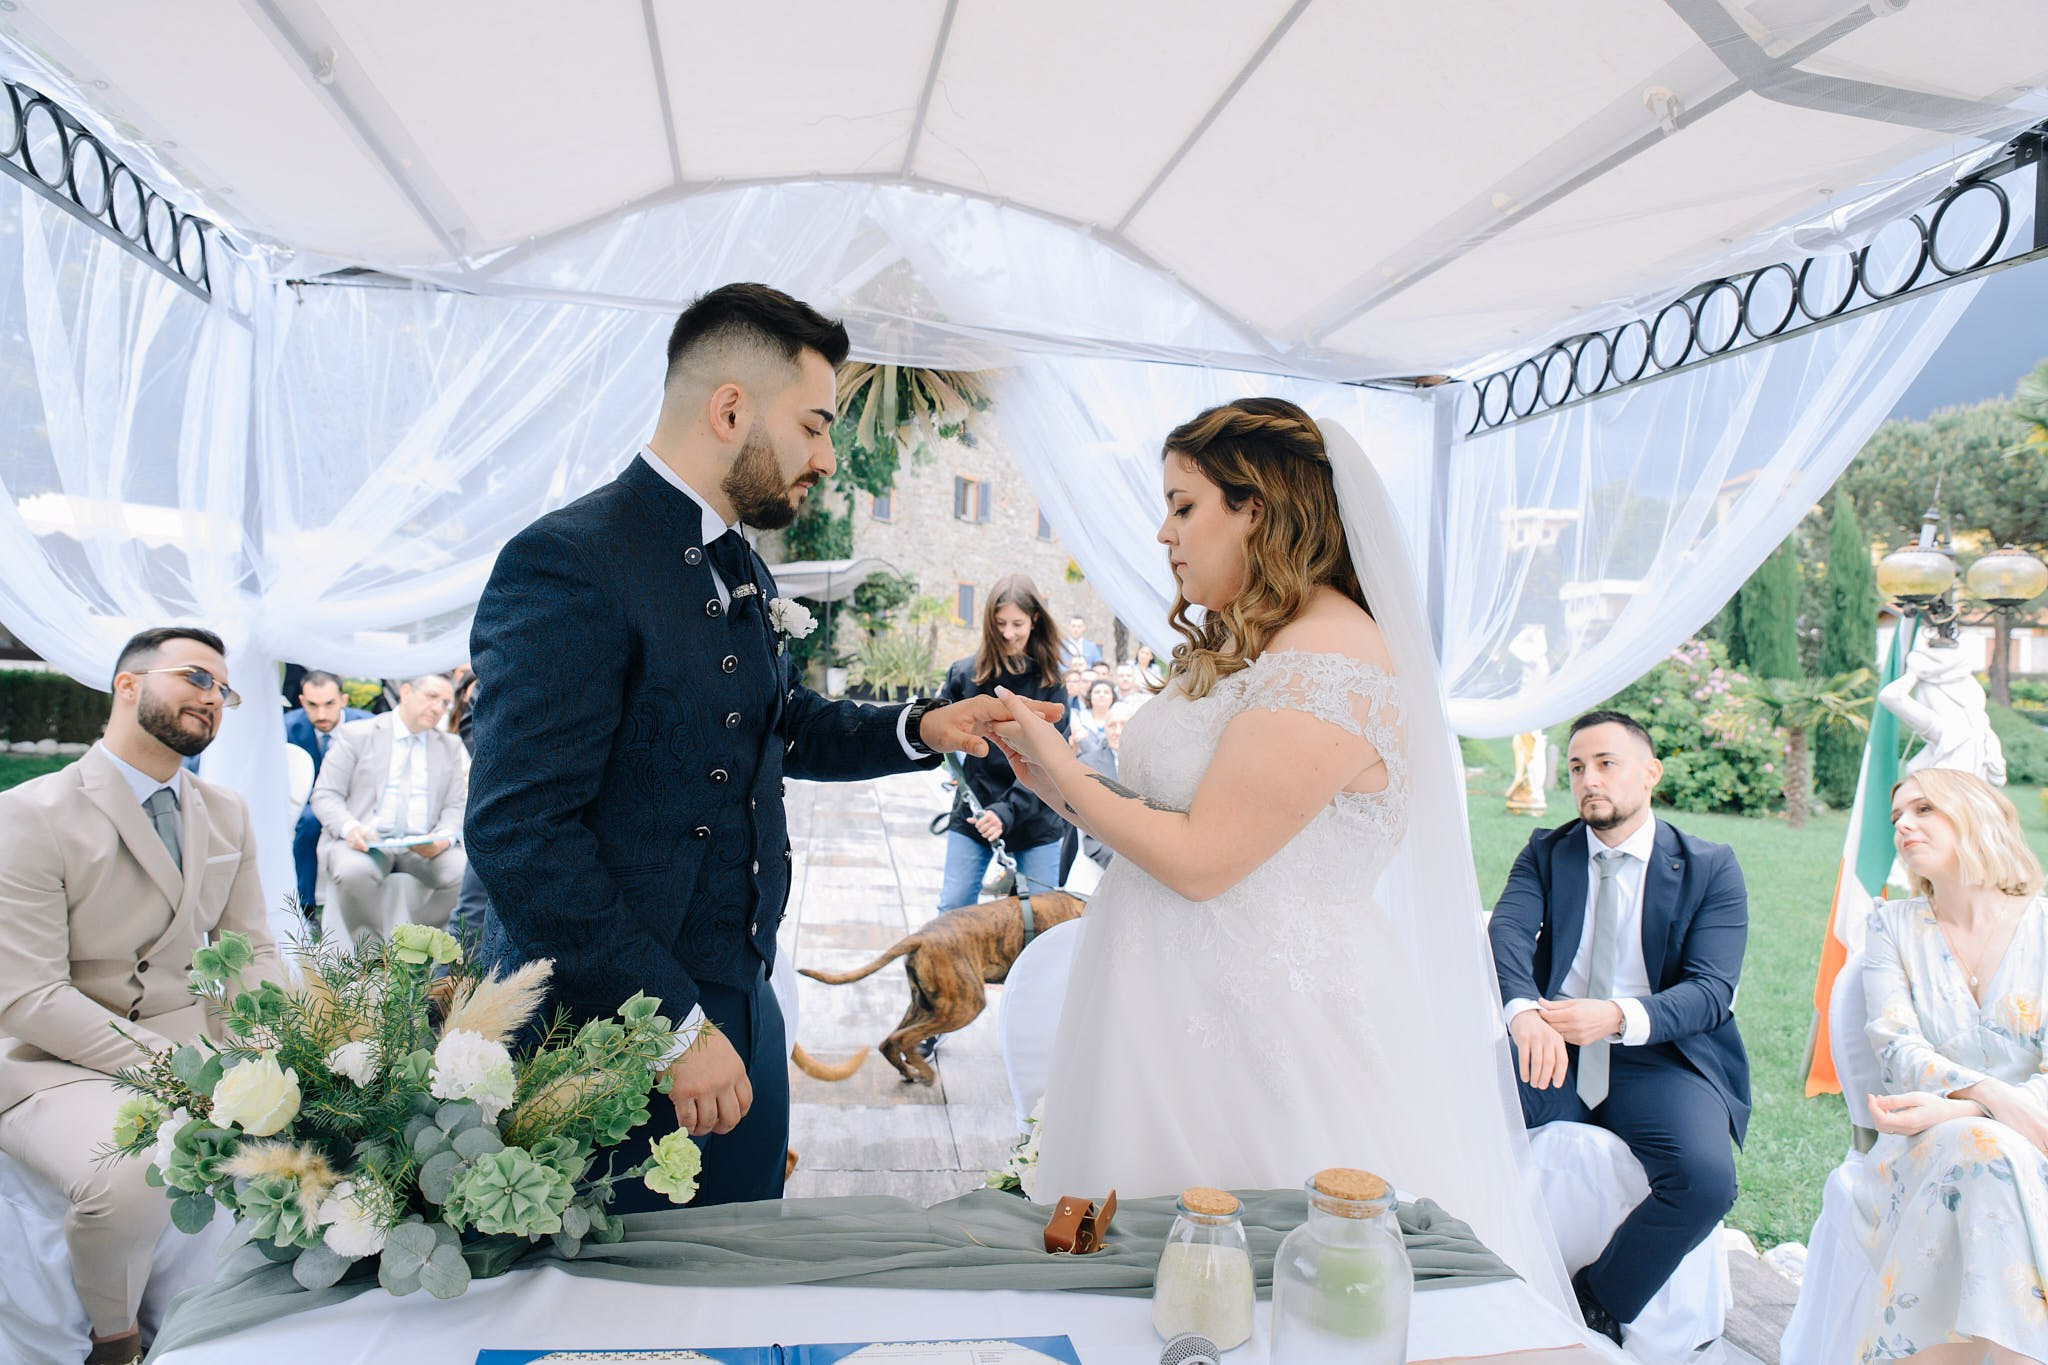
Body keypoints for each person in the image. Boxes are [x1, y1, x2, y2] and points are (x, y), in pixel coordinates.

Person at [465, 282, 1058, 1213]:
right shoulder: (567, 561)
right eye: (815, 425)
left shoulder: (735, 557)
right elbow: (520, 835)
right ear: (730, 408)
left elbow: (774, 722)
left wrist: (924, 726)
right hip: (609, 1027)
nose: (827, 458)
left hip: (739, 993)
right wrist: (671, 1025)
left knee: (745, 1268)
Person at [987, 398, 1568, 1307]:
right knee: (1164, 1290)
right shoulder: (1251, 643)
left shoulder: (1333, 653)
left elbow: (1202, 858)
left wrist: (1066, 765)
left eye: (1184, 506)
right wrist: (1044, 773)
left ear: (1254, 508)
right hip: (1165, 1007)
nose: (1163, 533)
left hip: (1266, 1028)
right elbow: (1153, 816)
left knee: (1262, 1285)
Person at [0, 627, 282, 1365]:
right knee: (134, 1174)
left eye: (223, 688)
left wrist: (275, 1046)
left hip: (192, 1043)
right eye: (195, 676)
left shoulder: (227, 813)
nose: (212, 697)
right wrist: (170, 1066)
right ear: (127, 684)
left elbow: (251, 946)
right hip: (50, 1064)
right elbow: (28, 995)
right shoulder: (31, 812)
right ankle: (114, 1338)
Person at [1487, 709, 1750, 1341]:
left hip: (1661, 1054)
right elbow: (1509, 934)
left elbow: (1712, 991)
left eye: (1606, 764)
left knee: (1704, 1181)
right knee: (1465, 1119)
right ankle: (1477, 1279)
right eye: (1577, 767)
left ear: (1649, 773)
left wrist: (1616, 1016)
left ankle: (1596, 1299)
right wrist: (1525, 1015)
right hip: (1552, 1043)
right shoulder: (1547, 852)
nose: (1588, 780)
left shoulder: (1711, 866)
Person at [1841, 768, 2048, 1363]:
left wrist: (1981, 1106)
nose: (1904, 823)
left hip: (2030, 1139)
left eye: (1925, 808)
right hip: (1921, 1140)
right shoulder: (1891, 926)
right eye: (1898, 815)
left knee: (1985, 1146)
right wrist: (1989, 1100)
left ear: (1978, 817)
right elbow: (1898, 1050)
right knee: (1982, 1147)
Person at [935, 574, 1071, 910]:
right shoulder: (964, 674)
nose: (1007, 633)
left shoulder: (1052, 683)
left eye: (1016, 623)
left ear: (1035, 620)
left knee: (1042, 919)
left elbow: (1053, 763)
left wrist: (1006, 811)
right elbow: (937, 728)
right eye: (1000, 624)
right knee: (952, 909)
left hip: (1036, 809)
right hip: (977, 808)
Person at [309, 673, 469, 942]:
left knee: (466, 871)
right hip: (365, 841)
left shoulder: (450, 746)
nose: (438, 708)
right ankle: (371, 955)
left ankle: (417, 943)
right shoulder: (357, 735)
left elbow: (456, 805)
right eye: (431, 697)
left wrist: (443, 839)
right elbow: (325, 794)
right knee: (352, 871)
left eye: (445, 703)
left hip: (423, 844)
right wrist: (351, 828)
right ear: (405, 692)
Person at [282, 670, 370, 919]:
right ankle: (304, 905)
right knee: (308, 822)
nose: (321, 714)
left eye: (329, 704)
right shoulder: (287, 727)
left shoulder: (366, 725)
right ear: (301, 701)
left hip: (357, 801)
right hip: (309, 803)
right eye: (312, 705)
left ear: (343, 700)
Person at [1067, 678, 1117, 755]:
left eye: (1106, 692)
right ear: (1090, 696)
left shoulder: (1119, 719)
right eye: (1097, 692)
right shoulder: (1076, 716)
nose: (1101, 694)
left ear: (1112, 697)